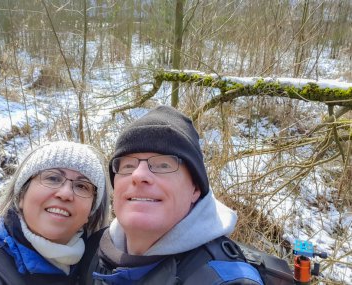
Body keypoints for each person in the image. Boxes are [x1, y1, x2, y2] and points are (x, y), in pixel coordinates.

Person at [80, 106, 293, 285]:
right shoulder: (89, 252)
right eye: (127, 165)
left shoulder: (226, 279)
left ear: (195, 189)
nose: (139, 175)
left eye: (163, 165)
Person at [0, 141, 110, 285]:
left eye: (82, 186)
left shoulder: (102, 269)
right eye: (53, 178)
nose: (65, 193)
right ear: (21, 196)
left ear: (91, 211)